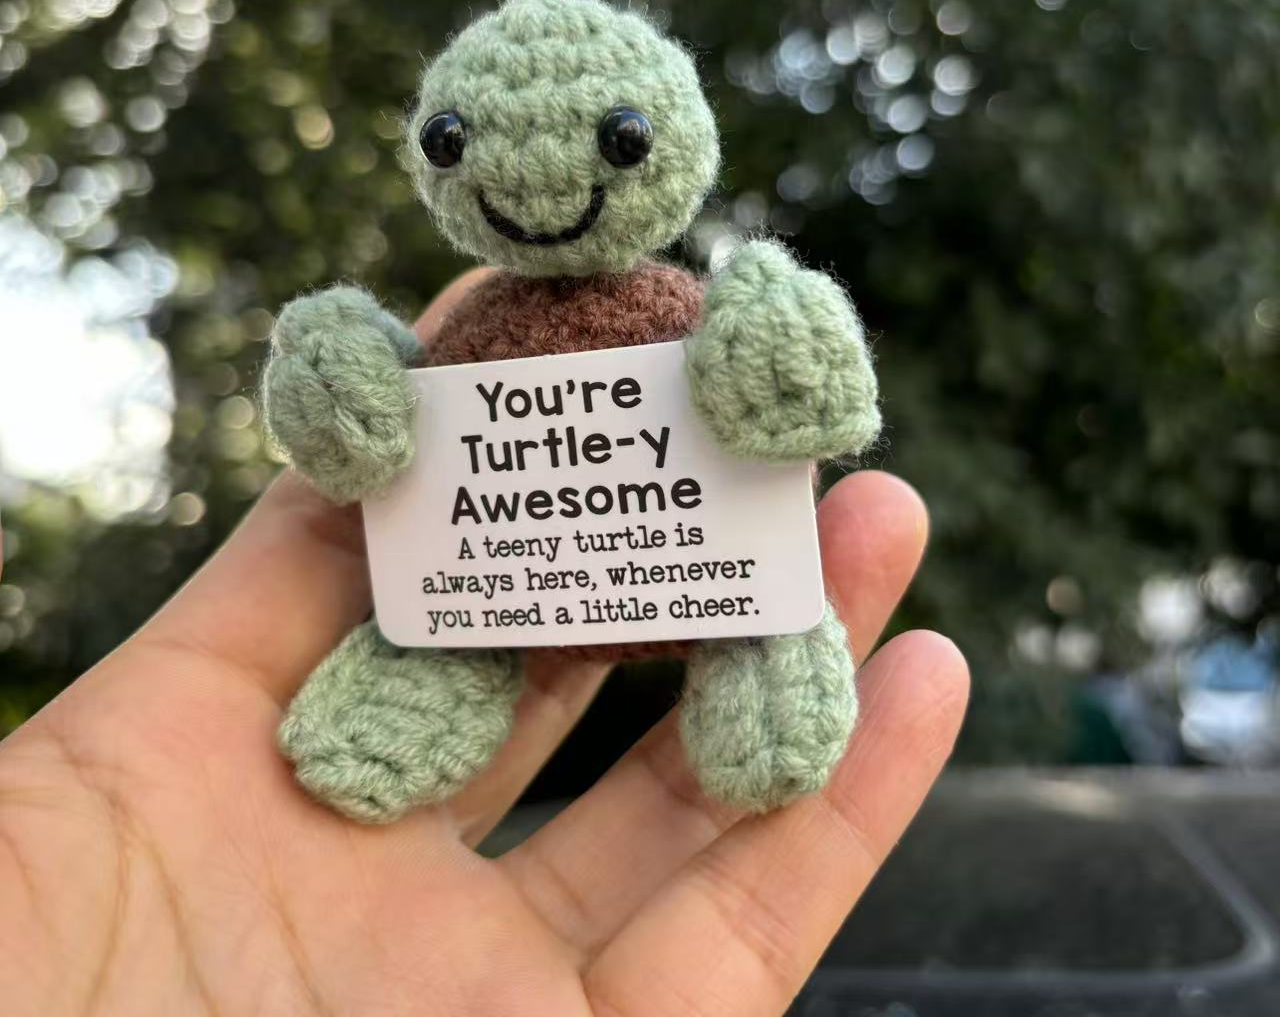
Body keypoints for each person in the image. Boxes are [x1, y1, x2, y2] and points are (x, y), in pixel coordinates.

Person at [0, 271, 969, 1015]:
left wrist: (783, 333)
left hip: (707, 585)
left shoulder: (724, 303)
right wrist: (337, 376)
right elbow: (356, 435)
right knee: (437, 618)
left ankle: (758, 638)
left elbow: (817, 403)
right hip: (475, 600)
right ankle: (434, 666)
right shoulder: (454, 356)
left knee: (760, 601)